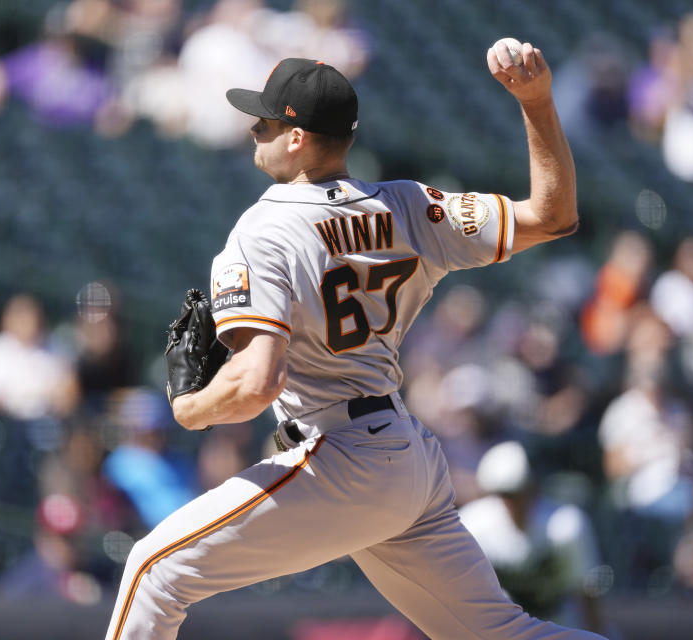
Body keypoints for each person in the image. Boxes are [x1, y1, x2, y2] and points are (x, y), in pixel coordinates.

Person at [105, 43, 606, 639]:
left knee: (153, 570)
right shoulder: (412, 205)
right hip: (406, 456)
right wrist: (537, 102)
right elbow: (553, 216)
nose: (253, 129)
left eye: (264, 120)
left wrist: (192, 409)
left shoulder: (264, 229)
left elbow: (258, 381)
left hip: (341, 454)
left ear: (297, 137)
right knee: (502, 633)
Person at [459, 441, 606, 633]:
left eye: (518, 492)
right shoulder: (474, 526)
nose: (513, 502)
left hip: (558, 624)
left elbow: (586, 591)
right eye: (505, 494)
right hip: (500, 629)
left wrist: (597, 633)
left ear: (533, 488)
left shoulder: (566, 527)